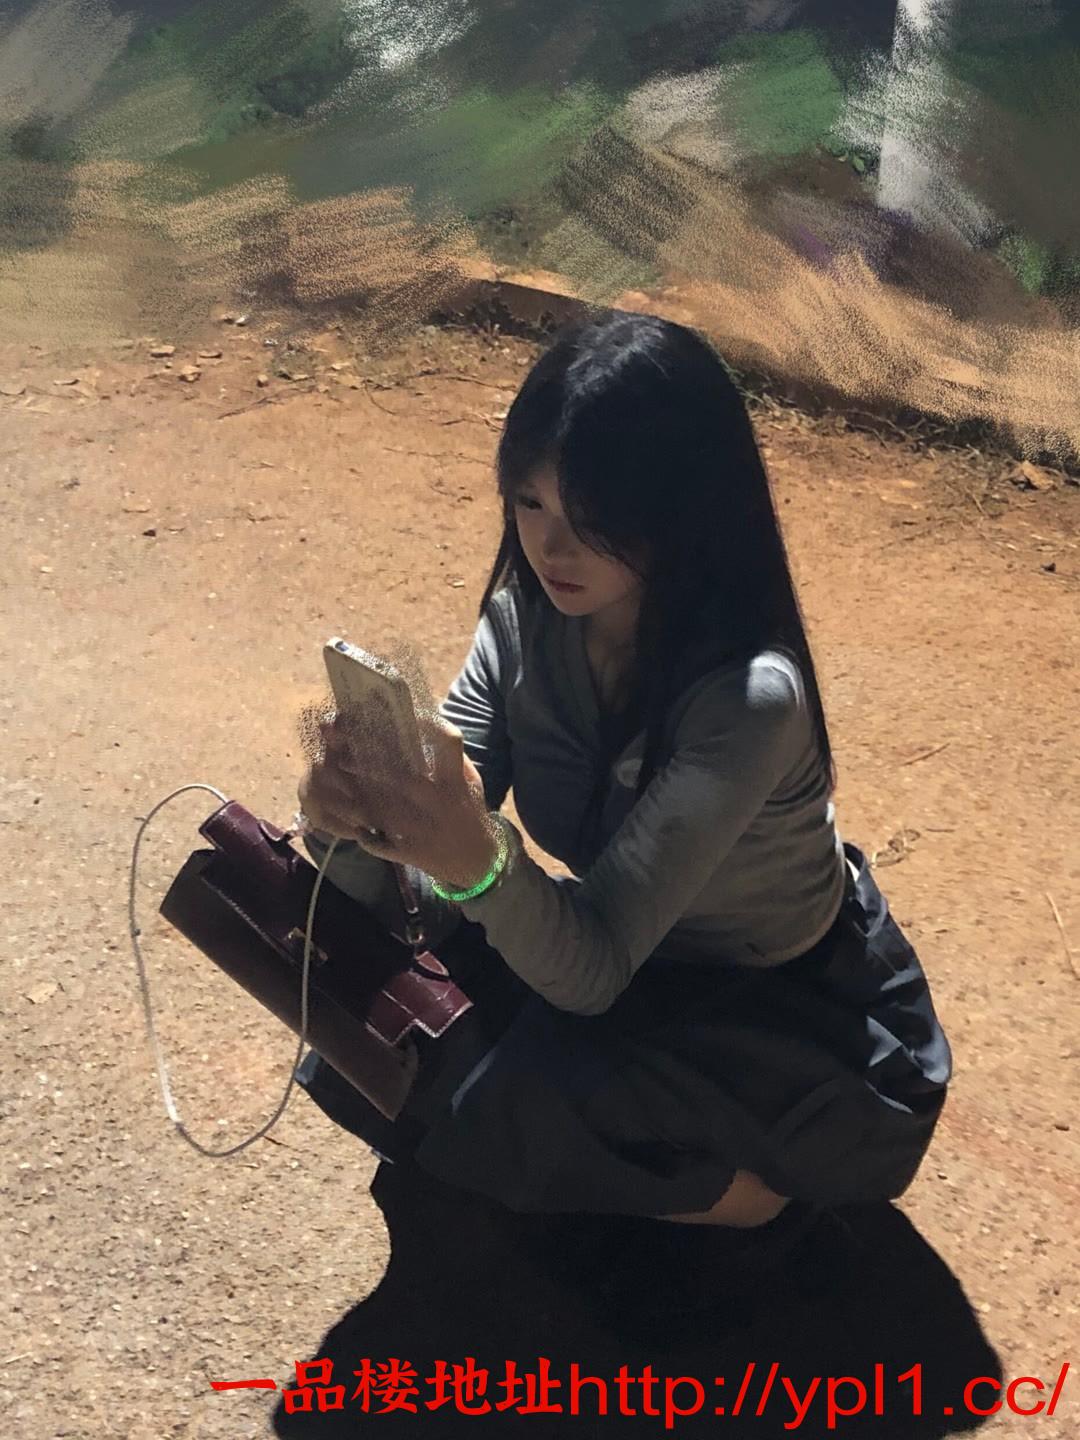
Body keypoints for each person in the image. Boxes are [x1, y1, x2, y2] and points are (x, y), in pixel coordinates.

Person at [293, 309, 952, 1318]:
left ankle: (758, 1200)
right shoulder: (523, 623)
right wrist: (346, 825)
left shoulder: (750, 697)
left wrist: (472, 858)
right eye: (529, 501)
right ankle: (623, 1170)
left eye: (595, 514)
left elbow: (585, 962)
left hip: (783, 1009)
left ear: (687, 509)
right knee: (368, 1036)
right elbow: (423, 888)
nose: (551, 546)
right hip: (620, 957)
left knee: (494, 1101)